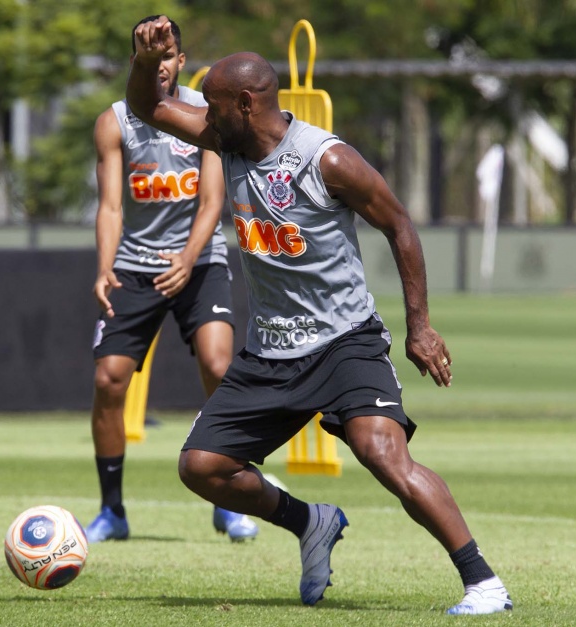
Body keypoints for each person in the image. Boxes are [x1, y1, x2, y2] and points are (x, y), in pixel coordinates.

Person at [125, 16, 512, 615]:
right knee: (202, 466)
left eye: (216, 104)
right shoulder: (223, 139)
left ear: (246, 104)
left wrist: (420, 325)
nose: (205, 113)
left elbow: (399, 225)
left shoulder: (325, 159)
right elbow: (148, 109)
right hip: (270, 349)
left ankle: (483, 582)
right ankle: (310, 522)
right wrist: (147, 61)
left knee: (382, 452)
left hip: (343, 341)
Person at [87, 15, 258, 544]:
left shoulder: (202, 117)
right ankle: (112, 511)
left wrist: (187, 257)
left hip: (199, 262)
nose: (159, 67)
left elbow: (213, 201)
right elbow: (112, 206)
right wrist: (104, 266)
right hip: (136, 267)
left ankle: (227, 499)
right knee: (108, 379)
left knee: (217, 364)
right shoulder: (114, 122)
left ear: (180, 62)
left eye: (168, 58)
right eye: (149, 58)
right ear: (136, 61)